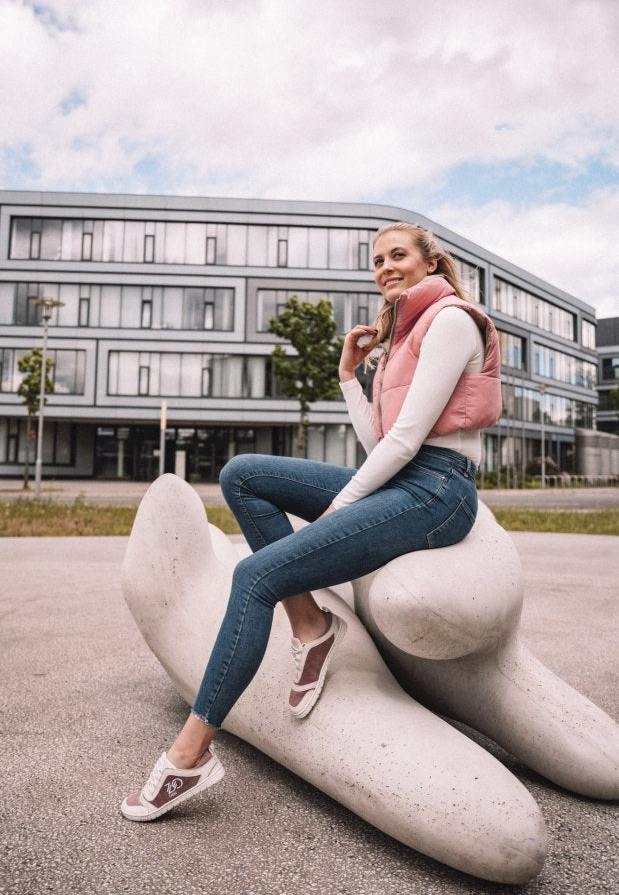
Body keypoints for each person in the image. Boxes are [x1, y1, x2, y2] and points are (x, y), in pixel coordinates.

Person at [121, 221, 503, 822]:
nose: (385, 267)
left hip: (438, 491)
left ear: (430, 263)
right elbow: (379, 438)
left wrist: (342, 505)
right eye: (376, 260)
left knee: (254, 576)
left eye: (398, 255)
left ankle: (190, 757)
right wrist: (350, 376)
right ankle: (311, 625)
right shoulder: (400, 337)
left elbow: (403, 442)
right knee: (242, 473)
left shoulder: (452, 320)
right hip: (405, 474)